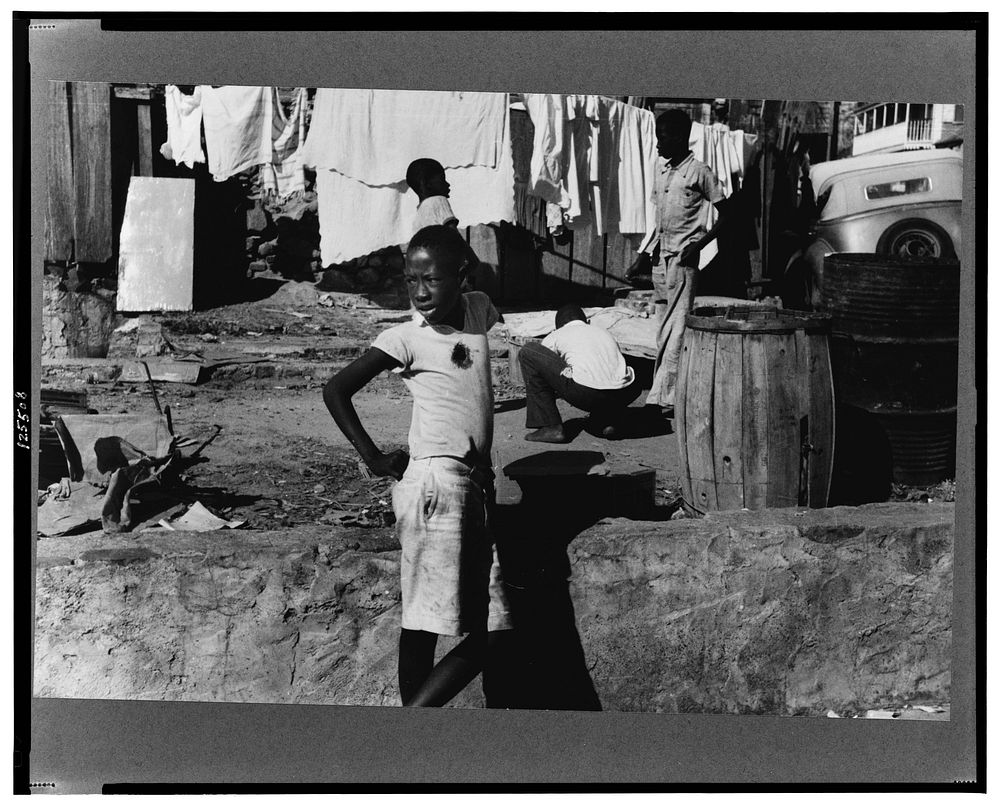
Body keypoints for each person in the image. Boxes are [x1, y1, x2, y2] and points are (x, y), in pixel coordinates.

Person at [323, 224, 512, 707]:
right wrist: (373, 457)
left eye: (432, 280)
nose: (421, 293)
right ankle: (411, 737)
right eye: (411, 280)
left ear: (463, 277)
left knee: (497, 627)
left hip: (473, 486)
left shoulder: (479, 309)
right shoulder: (405, 337)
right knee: (424, 623)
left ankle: (412, 733)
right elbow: (336, 389)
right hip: (434, 486)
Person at [625, 109, 729, 417]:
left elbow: (729, 214)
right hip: (660, 260)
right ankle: (667, 390)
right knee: (662, 329)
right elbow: (658, 223)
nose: (657, 144)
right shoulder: (662, 171)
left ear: (681, 138)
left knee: (677, 328)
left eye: (663, 138)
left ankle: (661, 399)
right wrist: (642, 258)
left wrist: (699, 245)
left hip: (683, 261)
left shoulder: (700, 172)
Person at [518, 303, 641, 443]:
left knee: (529, 352)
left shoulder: (557, 334)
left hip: (586, 393)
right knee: (605, 373)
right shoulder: (604, 332)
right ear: (587, 322)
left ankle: (550, 426)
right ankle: (608, 421)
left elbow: (543, 365)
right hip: (625, 392)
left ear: (558, 326)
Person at [406, 157, 481, 278]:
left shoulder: (419, 214)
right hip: (443, 267)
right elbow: (452, 233)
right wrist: (472, 259)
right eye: (442, 180)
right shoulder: (438, 200)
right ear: (428, 184)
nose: (448, 184)